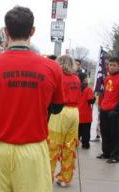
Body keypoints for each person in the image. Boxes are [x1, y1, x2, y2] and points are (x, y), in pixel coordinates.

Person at [0, 6, 64, 192]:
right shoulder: (52, 69)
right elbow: (57, 107)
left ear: (6, 32)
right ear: (32, 31)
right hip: (33, 149)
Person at [48, 55, 81, 187]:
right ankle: (64, 178)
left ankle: (47, 176)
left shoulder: (58, 77)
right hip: (74, 112)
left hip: (60, 112)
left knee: (53, 146)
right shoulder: (77, 79)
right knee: (69, 146)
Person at [97, 57, 119, 163]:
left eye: (114, 65)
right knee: (104, 132)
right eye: (110, 65)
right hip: (104, 109)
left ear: (118, 66)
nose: (111, 67)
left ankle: (115, 156)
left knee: (113, 133)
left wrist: (116, 110)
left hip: (114, 111)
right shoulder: (107, 78)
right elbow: (105, 94)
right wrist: (101, 106)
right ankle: (106, 153)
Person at [78, 73, 96, 149]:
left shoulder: (76, 88)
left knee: (77, 131)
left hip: (77, 113)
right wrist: (94, 98)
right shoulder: (88, 89)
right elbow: (90, 101)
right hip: (86, 114)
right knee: (86, 131)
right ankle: (85, 144)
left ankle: (75, 143)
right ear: (85, 79)